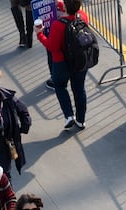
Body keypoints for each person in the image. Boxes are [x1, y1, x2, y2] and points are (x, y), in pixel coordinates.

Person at [35, 0, 89, 131]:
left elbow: (52, 46)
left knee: (59, 85)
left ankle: (68, 116)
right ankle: (81, 120)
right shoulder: (83, 16)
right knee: (79, 89)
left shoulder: (57, 25)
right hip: (80, 61)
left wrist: (40, 34)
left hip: (61, 63)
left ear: (64, 6)